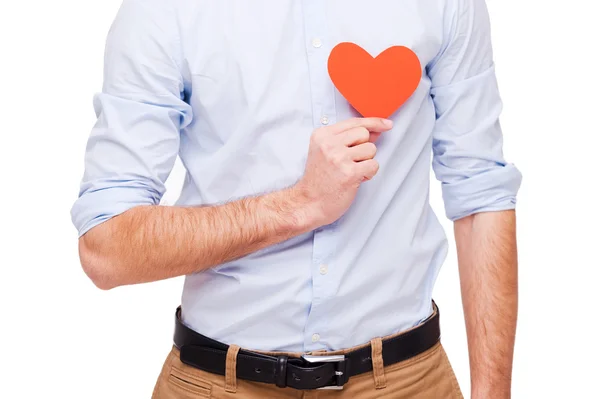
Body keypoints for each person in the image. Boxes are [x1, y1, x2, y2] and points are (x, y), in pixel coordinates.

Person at [71, 0, 522, 397]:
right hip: (218, 383)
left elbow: (480, 194)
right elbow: (107, 249)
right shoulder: (166, 10)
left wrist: (493, 392)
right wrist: (299, 205)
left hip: (408, 381)